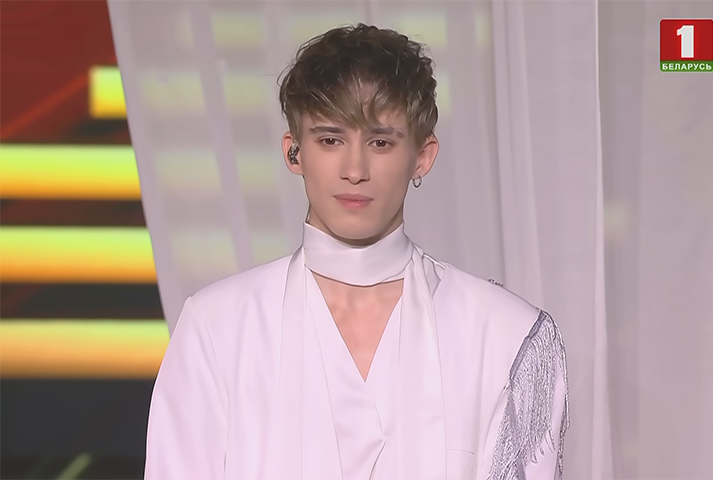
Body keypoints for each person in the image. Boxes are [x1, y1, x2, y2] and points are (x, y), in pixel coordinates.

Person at [144, 23, 568, 480]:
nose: (354, 169)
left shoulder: (504, 335)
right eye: (330, 140)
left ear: (422, 156)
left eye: (380, 142)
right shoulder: (217, 329)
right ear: (294, 153)